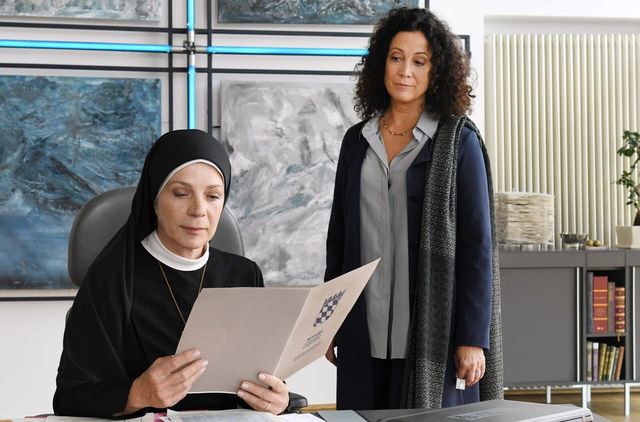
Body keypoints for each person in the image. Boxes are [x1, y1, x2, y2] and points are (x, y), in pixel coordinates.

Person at [324, 7, 503, 410]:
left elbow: (477, 247)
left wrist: (472, 338)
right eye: (396, 57)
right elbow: (339, 239)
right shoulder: (356, 142)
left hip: (433, 334)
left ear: (435, 72)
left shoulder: (458, 143)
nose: (405, 71)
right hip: (361, 330)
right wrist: (329, 320)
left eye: (419, 61)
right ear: (381, 64)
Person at [53, 129, 290, 417]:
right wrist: (139, 393)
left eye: (213, 196)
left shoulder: (245, 275)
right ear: (154, 198)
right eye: (180, 194)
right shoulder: (111, 278)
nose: (199, 210)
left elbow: (261, 376)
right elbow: (70, 398)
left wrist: (277, 398)